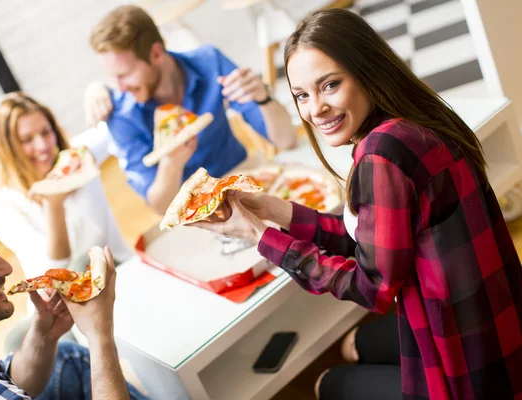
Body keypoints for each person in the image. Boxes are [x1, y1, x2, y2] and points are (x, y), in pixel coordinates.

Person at [195, 9, 522, 400]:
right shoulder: (420, 118)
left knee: (326, 382)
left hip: (464, 366)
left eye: (330, 85)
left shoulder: (381, 155)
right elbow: (379, 242)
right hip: (500, 322)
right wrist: (276, 211)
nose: (315, 109)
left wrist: (260, 236)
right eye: (302, 95)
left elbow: (374, 288)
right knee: (353, 344)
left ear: (366, 71)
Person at [0, 193, 146, 399]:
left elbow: (11, 381)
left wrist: (44, 336)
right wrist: (100, 336)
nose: (7, 268)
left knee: (66, 356)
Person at [85, 5, 297, 214]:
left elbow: (286, 140)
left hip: (244, 179)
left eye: (124, 74)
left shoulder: (209, 62)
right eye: (112, 77)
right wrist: (171, 164)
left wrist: (263, 98)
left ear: (156, 53)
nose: (119, 86)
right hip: (193, 212)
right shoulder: (120, 116)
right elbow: (159, 206)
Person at [0, 92, 133, 280]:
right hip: (61, 299)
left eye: (45, 132)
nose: (43, 145)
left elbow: (120, 119)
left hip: (121, 271)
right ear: (6, 148)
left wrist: (100, 91)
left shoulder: (78, 159)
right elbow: (54, 268)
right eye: (27, 140)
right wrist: (54, 204)